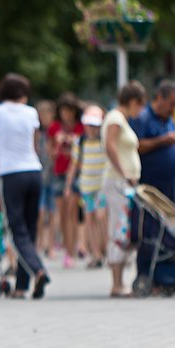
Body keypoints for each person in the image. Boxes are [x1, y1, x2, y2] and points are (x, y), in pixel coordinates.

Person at [0, 73, 50, 299]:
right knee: (30, 229)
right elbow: (35, 144)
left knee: (17, 230)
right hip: (33, 171)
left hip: (11, 174)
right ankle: (22, 286)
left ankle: (38, 269)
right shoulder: (31, 112)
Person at [102, 81, 147, 298]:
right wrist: (123, 173)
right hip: (118, 182)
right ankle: (117, 283)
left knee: (125, 229)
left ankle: (120, 281)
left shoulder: (120, 119)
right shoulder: (116, 118)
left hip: (125, 183)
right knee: (119, 229)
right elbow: (110, 146)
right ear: (133, 102)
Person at [65, 105, 107, 269]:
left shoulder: (104, 140)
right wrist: (68, 186)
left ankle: (105, 250)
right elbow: (74, 165)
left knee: (102, 217)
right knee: (90, 219)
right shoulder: (80, 142)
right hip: (86, 186)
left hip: (102, 186)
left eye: (95, 125)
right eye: (89, 125)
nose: (92, 128)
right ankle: (95, 253)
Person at [130, 81, 175, 202]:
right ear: (160, 97)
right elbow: (137, 146)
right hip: (150, 187)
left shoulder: (169, 121)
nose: (173, 109)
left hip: (170, 186)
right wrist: (162, 141)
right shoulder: (142, 117)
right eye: (171, 104)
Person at [48, 93, 84, 268]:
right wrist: (58, 144)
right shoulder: (54, 128)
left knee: (72, 213)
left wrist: (71, 143)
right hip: (59, 172)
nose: (66, 114)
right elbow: (51, 154)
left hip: (76, 173)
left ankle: (72, 249)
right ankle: (67, 247)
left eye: (69, 111)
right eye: (63, 111)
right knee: (61, 214)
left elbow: (82, 153)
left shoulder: (80, 128)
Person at [35, 100, 58, 258]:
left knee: (53, 212)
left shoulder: (56, 132)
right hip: (39, 176)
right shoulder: (36, 132)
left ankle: (50, 245)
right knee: (40, 212)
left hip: (54, 176)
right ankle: (39, 243)